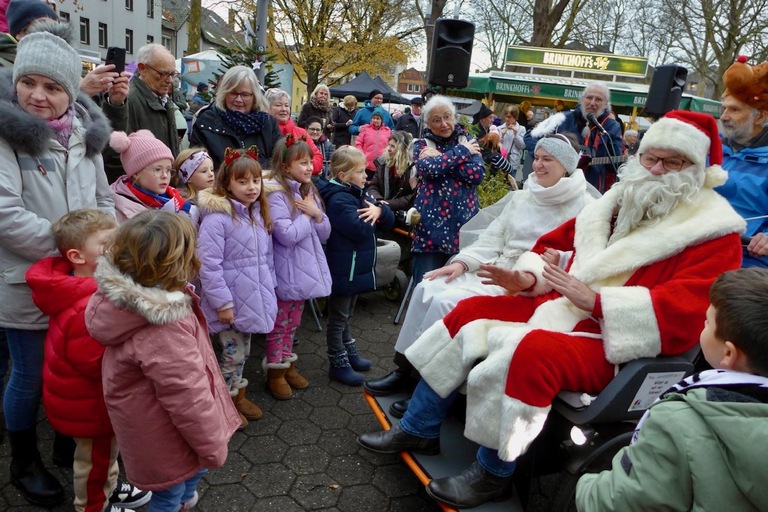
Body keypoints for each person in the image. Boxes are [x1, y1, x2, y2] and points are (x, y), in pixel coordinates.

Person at [357, 110, 746, 509]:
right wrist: (527, 277)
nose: (657, 169)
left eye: (673, 162)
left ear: (698, 170)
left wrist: (597, 303)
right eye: (650, 157)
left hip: (622, 341)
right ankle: (420, 426)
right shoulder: (617, 201)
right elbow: (551, 246)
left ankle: (494, 474)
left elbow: (687, 312)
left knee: (531, 353)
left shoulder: (712, 232)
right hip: (566, 306)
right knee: (468, 311)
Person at [364, 134, 598, 405]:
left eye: (548, 159)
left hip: (528, 286)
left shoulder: (585, 207)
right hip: (494, 268)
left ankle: (424, 384)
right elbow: (493, 237)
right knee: (427, 286)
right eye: (536, 158)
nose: (538, 165)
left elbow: (587, 258)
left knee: (446, 302)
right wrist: (462, 262)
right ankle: (404, 369)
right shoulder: (523, 196)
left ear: (566, 165)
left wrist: (560, 258)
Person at [0, 28, 114, 507]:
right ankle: (23, 460)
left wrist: (103, 246)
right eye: (28, 83)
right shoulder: (7, 136)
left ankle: (69, 439)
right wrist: (72, 247)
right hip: (26, 282)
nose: (37, 95)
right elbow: (4, 212)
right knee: (28, 375)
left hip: (81, 280)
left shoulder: (86, 137)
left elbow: (104, 201)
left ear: (70, 91)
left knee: (72, 366)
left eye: (51, 86)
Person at [576, 267, 768, 511]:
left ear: (728, 353)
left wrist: (585, 486)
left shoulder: (676, 422)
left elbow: (615, 502)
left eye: (707, 322)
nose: (703, 325)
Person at [86, 210, 241, 512]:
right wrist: (212, 446)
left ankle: (184, 499)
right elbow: (187, 396)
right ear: (177, 262)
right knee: (170, 494)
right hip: (166, 435)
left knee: (184, 481)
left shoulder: (124, 301)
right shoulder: (164, 327)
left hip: (150, 425)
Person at [26, 209, 151, 512]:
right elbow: (96, 362)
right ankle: (94, 505)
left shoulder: (79, 288)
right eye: (107, 244)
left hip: (86, 400)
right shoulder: (88, 305)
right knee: (95, 461)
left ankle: (110, 486)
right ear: (77, 256)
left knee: (104, 455)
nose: (117, 249)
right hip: (91, 405)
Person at [196, 147, 277, 429]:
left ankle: (235, 396)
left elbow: (265, 259)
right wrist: (223, 303)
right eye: (242, 182)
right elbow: (208, 265)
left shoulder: (256, 214)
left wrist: (270, 289)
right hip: (230, 304)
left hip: (251, 299)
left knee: (243, 352)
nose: (251, 187)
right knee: (233, 354)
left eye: (255, 181)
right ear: (227, 184)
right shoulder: (217, 219)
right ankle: (222, 405)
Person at [317, 146, 395, 385]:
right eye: (360, 172)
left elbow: (388, 220)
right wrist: (376, 214)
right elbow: (361, 230)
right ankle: (337, 362)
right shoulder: (340, 199)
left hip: (353, 269)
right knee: (338, 318)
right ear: (343, 175)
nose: (366, 176)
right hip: (344, 269)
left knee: (346, 314)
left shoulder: (356, 193)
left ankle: (349, 352)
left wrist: (379, 210)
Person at [264, 136, 332, 398]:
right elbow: (287, 235)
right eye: (302, 163)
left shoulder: (307, 190)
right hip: (286, 269)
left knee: (293, 322)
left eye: (310, 162)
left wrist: (317, 213)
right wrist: (307, 215)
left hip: (303, 269)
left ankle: (287, 363)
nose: (309, 167)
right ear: (285, 166)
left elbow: (324, 233)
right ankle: (275, 372)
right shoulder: (276, 194)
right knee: (280, 323)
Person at [408, 94, 485, 285]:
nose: (444, 124)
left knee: (456, 291)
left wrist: (440, 157)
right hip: (429, 234)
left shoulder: (468, 140)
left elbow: (476, 175)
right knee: (425, 287)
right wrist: (462, 152)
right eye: (436, 120)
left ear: (454, 117)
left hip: (463, 231)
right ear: (428, 124)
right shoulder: (421, 145)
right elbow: (429, 170)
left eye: (447, 117)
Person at [716, 56, 768, 268]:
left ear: (760, 116)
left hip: (748, 261)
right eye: (724, 108)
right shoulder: (708, 148)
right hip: (696, 248)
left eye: (734, 110)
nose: (724, 116)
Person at [527, 82, 623, 192]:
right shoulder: (562, 118)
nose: (592, 103)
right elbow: (531, 135)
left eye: (598, 99)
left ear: (606, 104)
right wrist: (547, 156)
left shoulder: (611, 126)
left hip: (590, 188)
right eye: (589, 98)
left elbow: (614, 164)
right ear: (582, 99)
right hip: (556, 185)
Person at [190, 66, 283, 170]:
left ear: (254, 96)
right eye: (233, 93)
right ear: (224, 94)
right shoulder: (206, 123)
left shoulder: (268, 123)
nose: (238, 99)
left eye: (245, 95)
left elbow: (282, 160)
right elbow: (196, 168)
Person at [109, 130, 199, 223]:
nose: (165, 176)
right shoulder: (119, 211)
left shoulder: (175, 198)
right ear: (136, 173)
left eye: (168, 170)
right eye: (157, 170)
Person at [127, 43, 181, 156]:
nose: (170, 80)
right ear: (142, 69)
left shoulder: (164, 99)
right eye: (163, 74)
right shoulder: (130, 101)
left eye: (172, 74)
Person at [265, 87, 324, 175]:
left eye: (286, 105)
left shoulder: (301, 133)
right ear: (267, 108)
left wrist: (302, 168)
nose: (284, 109)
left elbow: (317, 157)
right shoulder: (262, 133)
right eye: (278, 105)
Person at [369, 130, 416, 215]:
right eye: (389, 145)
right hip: (382, 209)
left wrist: (388, 204)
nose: (389, 149)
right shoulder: (383, 164)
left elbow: (413, 196)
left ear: (403, 150)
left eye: (393, 146)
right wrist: (379, 200)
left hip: (403, 213)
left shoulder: (413, 169)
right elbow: (373, 186)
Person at [473, 103, 514, 176]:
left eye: (493, 117)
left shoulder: (489, 130)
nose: (492, 120)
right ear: (483, 118)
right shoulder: (474, 130)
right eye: (490, 117)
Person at [355, 106, 393, 179]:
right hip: (366, 164)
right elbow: (358, 143)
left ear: (382, 120)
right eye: (373, 118)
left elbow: (390, 145)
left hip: (382, 165)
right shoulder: (365, 129)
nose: (375, 120)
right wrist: (361, 154)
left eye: (378, 118)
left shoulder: (388, 131)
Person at [499, 105, 526, 176]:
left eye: (509, 117)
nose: (507, 119)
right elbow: (496, 145)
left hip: (513, 161)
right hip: (501, 160)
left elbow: (522, 146)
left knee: (511, 181)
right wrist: (501, 136)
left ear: (515, 117)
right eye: (506, 116)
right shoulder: (500, 128)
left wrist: (516, 135)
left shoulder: (521, 129)